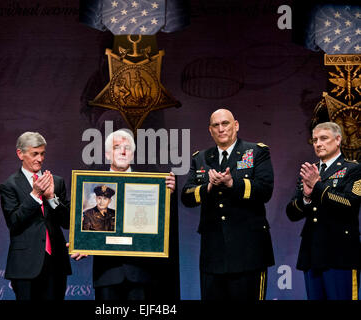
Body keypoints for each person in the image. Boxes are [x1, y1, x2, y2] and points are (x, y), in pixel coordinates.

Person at [181, 108, 275, 300]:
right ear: (210, 130)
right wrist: (208, 187)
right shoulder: (201, 158)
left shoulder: (256, 152)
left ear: (236, 125)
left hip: (248, 249)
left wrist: (233, 184)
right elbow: (186, 196)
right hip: (213, 252)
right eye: (216, 125)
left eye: (226, 123)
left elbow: (265, 190)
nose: (221, 129)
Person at [91, 129, 176, 300]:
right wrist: (82, 241)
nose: (122, 151)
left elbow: (161, 224)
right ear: (108, 154)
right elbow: (85, 222)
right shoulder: (91, 181)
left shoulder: (152, 180)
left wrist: (168, 196)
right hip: (107, 273)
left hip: (141, 273)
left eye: (127, 148)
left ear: (132, 155)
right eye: (117, 147)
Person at [286, 122, 360, 300]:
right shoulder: (310, 171)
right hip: (311, 253)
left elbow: (350, 204)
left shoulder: (354, 169)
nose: (318, 143)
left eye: (324, 138)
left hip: (340, 253)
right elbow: (292, 213)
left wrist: (318, 187)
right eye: (315, 140)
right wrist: (306, 196)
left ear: (338, 140)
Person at [0, 132, 71, 300]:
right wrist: (34, 195)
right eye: (35, 154)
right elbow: (14, 222)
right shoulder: (9, 186)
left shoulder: (56, 182)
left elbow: (68, 222)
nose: (40, 159)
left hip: (55, 263)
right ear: (20, 154)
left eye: (42, 153)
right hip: (25, 264)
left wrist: (52, 198)